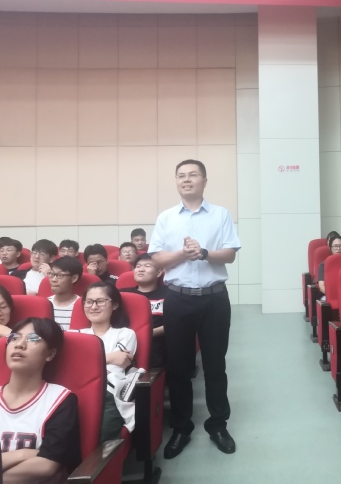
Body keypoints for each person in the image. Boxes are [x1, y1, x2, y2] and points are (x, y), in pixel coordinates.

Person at [149, 159, 240, 458]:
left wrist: (203, 253)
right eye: (181, 176)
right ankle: (181, 427)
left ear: (204, 181)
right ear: (176, 182)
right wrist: (183, 254)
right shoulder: (166, 218)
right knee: (178, 366)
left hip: (214, 298)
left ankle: (218, 425)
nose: (186, 180)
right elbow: (157, 259)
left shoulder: (220, 214)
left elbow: (229, 255)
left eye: (193, 175)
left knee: (215, 365)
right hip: (178, 298)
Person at [0, 317, 81, 483]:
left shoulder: (60, 400)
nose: (19, 344)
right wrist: (23, 454)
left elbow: (47, 466)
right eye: (14, 338)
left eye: (33, 339)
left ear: (50, 354)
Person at [75, 283, 139, 442]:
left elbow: (121, 360)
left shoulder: (125, 334)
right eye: (89, 302)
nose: (93, 307)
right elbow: (70, 366)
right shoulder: (75, 335)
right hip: (76, 392)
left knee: (100, 433)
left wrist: (84, 363)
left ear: (115, 305)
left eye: (100, 301)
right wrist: (109, 358)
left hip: (108, 393)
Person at [119, 253, 168, 368]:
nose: (141, 269)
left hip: (156, 342)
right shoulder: (123, 294)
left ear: (159, 272)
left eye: (147, 266)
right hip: (124, 342)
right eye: (138, 266)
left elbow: (174, 323)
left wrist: (147, 334)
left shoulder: (168, 293)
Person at [47, 257, 83, 331]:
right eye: (51, 274)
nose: (53, 279)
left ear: (74, 278)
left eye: (60, 275)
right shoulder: (44, 304)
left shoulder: (83, 305)